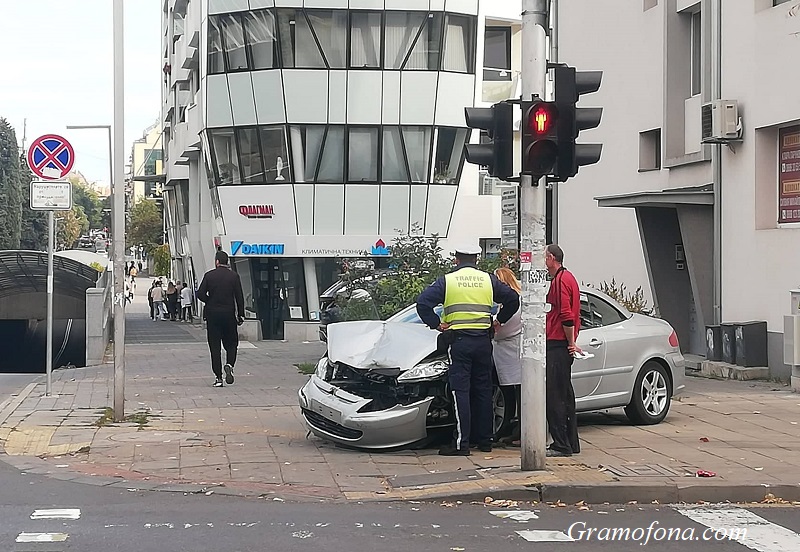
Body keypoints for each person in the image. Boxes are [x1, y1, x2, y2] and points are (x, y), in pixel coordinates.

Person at [416, 245, 520, 456]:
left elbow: (423, 303)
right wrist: (498, 321)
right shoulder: (488, 280)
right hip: (483, 342)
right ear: (476, 259)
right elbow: (513, 299)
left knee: (460, 391)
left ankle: (461, 444)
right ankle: (485, 441)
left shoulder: (448, 280)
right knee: (483, 390)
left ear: (456, 259)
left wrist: (436, 324)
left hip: (459, 342)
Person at [544, 244, 582, 457]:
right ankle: (570, 442)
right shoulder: (569, 278)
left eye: (544, 257)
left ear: (551, 258)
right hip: (563, 343)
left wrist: (570, 342)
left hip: (558, 343)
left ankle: (561, 444)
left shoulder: (559, 281)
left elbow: (567, 315)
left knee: (555, 396)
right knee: (566, 395)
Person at [197, 250, 245, 388]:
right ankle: (229, 364)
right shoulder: (234, 277)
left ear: (217, 262)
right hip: (228, 314)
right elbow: (239, 297)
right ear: (227, 262)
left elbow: (200, 293)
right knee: (232, 343)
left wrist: (209, 300)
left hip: (212, 315)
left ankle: (218, 378)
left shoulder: (209, 276)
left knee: (215, 347)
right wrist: (240, 314)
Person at [492, 268, 523, 446]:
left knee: (518, 396)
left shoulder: (514, 303)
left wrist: (493, 326)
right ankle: (514, 431)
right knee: (511, 396)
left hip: (512, 355)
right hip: (507, 356)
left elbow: (502, 331)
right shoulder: (507, 302)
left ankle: (519, 432)